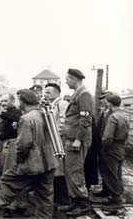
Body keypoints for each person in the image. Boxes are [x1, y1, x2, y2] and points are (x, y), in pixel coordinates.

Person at [0, 89, 55, 219]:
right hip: (48, 163)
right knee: (45, 197)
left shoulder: (26, 119)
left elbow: (23, 145)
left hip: (30, 164)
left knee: (5, 184)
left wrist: (18, 161)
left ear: (22, 101)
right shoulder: (44, 114)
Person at [60, 68, 94, 216]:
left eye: (67, 79)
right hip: (71, 138)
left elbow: (85, 119)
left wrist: (78, 140)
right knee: (70, 171)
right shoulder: (78, 93)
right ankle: (74, 201)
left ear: (74, 79)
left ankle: (82, 204)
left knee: (75, 171)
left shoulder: (84, 94)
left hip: (76, 140)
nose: (66, 81)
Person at [99, 95, 129, 208]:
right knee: (117, 174)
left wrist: (105, 149)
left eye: (107, 102)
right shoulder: (124, 115)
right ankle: (117, 197)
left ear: (110, 103)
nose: (106, 104)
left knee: (110, 174)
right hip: (120, 147)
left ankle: (116, 201)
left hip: (111, 148)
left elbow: (107, 137)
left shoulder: (113, 117)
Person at [43, 83, 70, 205]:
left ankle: (62, 197)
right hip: (52, 141)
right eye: (45, 92)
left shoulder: (62, 104)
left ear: (57, 93)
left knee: (59, 168)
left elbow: (63, 122)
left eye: (48, 92)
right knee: (54, 167)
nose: (45, 95)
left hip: (57, 141)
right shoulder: (51, 105)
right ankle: (56, 196)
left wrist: (54, 135)